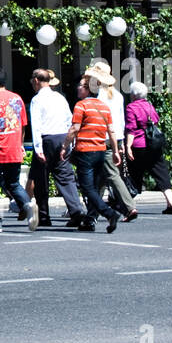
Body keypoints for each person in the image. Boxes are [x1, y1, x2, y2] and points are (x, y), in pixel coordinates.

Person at [0, 68, 38, 232]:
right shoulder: (17, 99)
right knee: (13, 183)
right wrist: (19, 143)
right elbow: (23, 125)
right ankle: (28, 205)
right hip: (14, 149)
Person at [63, 79, 122, 233]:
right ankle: (89, 221)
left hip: (85, 151)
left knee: (87, 188)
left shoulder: (81, 105)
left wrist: (64, 147)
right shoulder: (104, 107)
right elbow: (111, 131)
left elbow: (74, 128)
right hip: (100, 150)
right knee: (94, 188)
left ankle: (110, 214)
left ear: (88, 90)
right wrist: (115, 151)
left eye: (81, 86)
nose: (77, 88)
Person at [28, 68, 85, 228]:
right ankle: (76, 210)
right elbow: (69, 120)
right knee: (65, 176)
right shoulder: (60, 97)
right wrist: (70, 142)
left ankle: (44, 216)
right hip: (61, 138)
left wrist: (38, 148)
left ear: (37, 81)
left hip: (47, 139)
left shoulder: (37, 100)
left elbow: (36, 125)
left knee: (41, 179)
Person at [83, 61, 138, 224]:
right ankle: (92, 213)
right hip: (114, 138)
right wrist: (119, 143)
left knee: (111, 175)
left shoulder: (98, 98)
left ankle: (129, 206)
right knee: (101, 178)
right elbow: (120, 122)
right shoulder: (118, 96)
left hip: (99, 138)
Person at [125, 81, 172, 213]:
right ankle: (171, 203)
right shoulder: (149, 105)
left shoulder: (131, 107)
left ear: (133, 94)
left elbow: (131, 129)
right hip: (153, 145)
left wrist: (128, 146)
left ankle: (127, 205)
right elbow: (156, 120)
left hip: (139, 145)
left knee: (134, 175)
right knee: (161, 173)